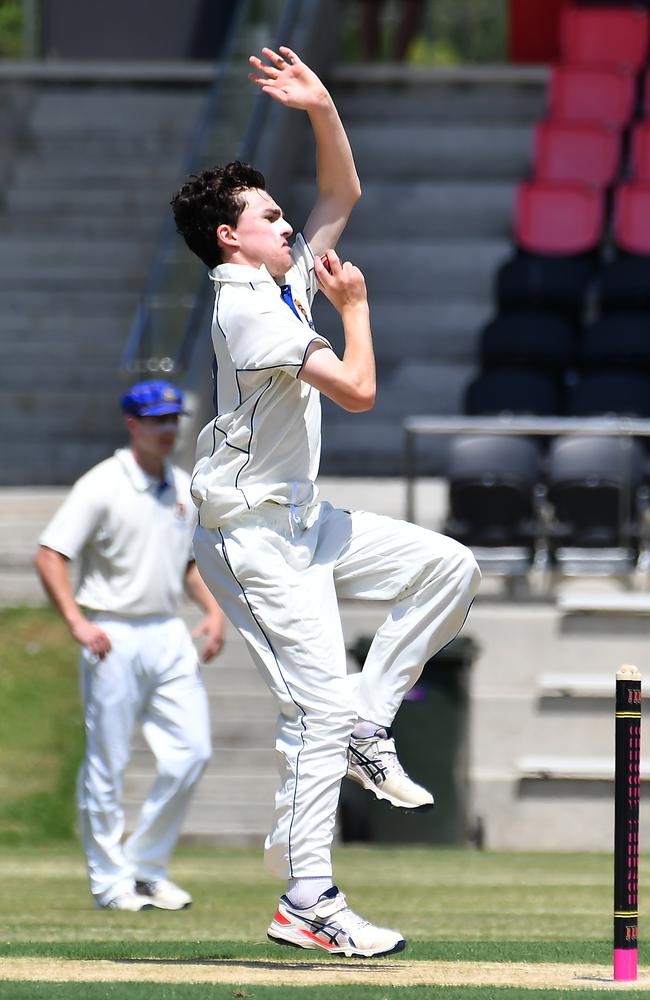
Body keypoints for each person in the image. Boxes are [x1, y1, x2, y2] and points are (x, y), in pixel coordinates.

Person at [170, 46, 480, 956]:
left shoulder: (273, 276)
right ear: (231, 237)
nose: (287, 222)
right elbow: (357, 389)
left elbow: (342, 196)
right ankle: (307, 901)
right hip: (249, 538)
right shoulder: (251, 309)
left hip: (303, 518)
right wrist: (358, 306)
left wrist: (322, 108)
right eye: (269, 215)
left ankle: (371, 723)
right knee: (313, 708)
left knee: (448, 568)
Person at [35, 380, 225, 911]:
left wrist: (212, 613)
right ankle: (110, 883)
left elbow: (189, 566)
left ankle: (145, 868)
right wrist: (76, 621)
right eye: (158, 420)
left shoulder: (184, 485)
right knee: (107, 761)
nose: (168, 429)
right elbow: (51, 553)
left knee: (192, 752)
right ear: (133, 424)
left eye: (173, 420)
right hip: (111, 631)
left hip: (168, 631)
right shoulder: (101, 484)